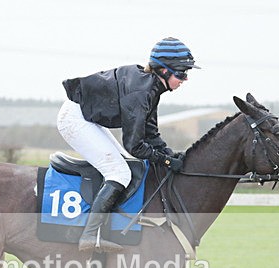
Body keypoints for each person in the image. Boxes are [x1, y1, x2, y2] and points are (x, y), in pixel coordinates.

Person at [57, 37, 199, 253]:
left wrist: (170, 154)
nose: (185, 79)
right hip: (75, 118)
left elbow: (150, 134)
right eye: (181, 73)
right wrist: (166, 159)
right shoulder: (141, 93)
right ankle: (89, 235)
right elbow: (135, 145)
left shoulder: (151, 88)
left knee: (126, 167)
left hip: (87, 117)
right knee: (119, 172)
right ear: (163, 71)